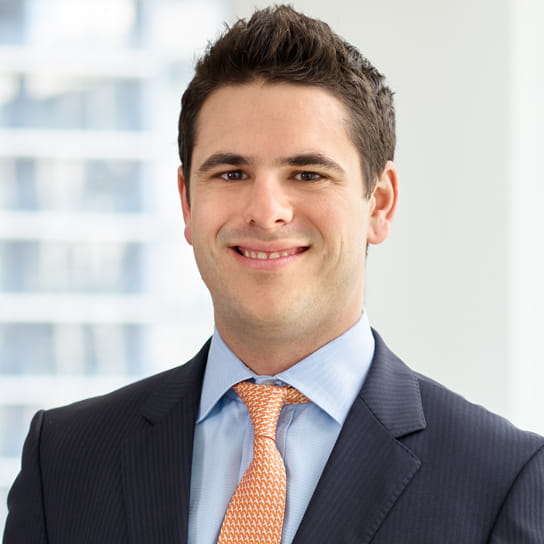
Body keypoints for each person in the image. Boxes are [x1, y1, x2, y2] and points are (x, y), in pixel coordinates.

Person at [4, 5, 543, 543]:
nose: (266, 212)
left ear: (379, 204)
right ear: (187, 202)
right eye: (231, 173)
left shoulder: (502, 482)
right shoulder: (64, 461)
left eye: (307, 174)